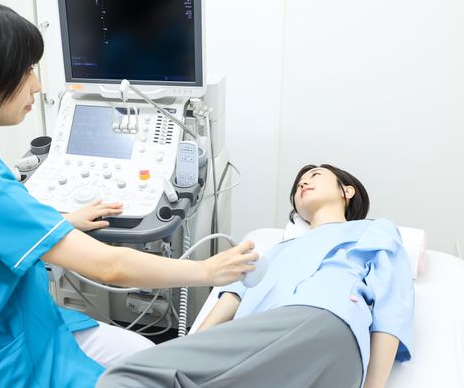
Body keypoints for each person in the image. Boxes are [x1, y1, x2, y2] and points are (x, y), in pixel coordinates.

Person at [0, 0, 257, 387]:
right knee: (150, 375)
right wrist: (207, 271)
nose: (37, 85)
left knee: (146, 355)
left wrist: (60, 223)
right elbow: (111, 267)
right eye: (25, 72)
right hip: (3, 355)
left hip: (25, 319)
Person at [97, 164, 414, 388]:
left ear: (347, 191)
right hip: (291, 361)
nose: (303, 183)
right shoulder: (273, 251)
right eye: (298, 185)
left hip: (321, 319)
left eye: (315, 176)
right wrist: (189, 347)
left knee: (130, 375)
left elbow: (391, 310)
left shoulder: (373, 230)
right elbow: (231, 298)